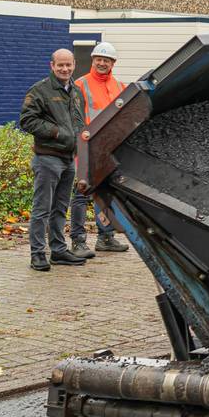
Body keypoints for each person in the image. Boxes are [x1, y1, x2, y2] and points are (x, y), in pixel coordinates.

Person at [19, 49, 87, 271]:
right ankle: (37, 254)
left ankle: (58, 251)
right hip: (48, 159)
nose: (65, 69)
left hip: (68, 160)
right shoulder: (40, 90)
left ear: (74, 64)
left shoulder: (76, 92)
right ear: (52, 65)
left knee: (60, 208)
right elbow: (27, 121)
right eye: (60, 65)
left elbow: (79, 122)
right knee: (42, 209)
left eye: (68, 65)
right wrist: (57, 132)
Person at [69, 43, 129, 257]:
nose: (102, 63)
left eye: (107, 60)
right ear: (93, 60)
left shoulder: (121, 87)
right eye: (98, 59)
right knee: (82, 193)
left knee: (105, 193)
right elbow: (73, 118)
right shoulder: (80, 85)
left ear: (113, 63)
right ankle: (78, 240)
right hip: (86, 148)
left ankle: (105, 237)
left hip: (109, 149)